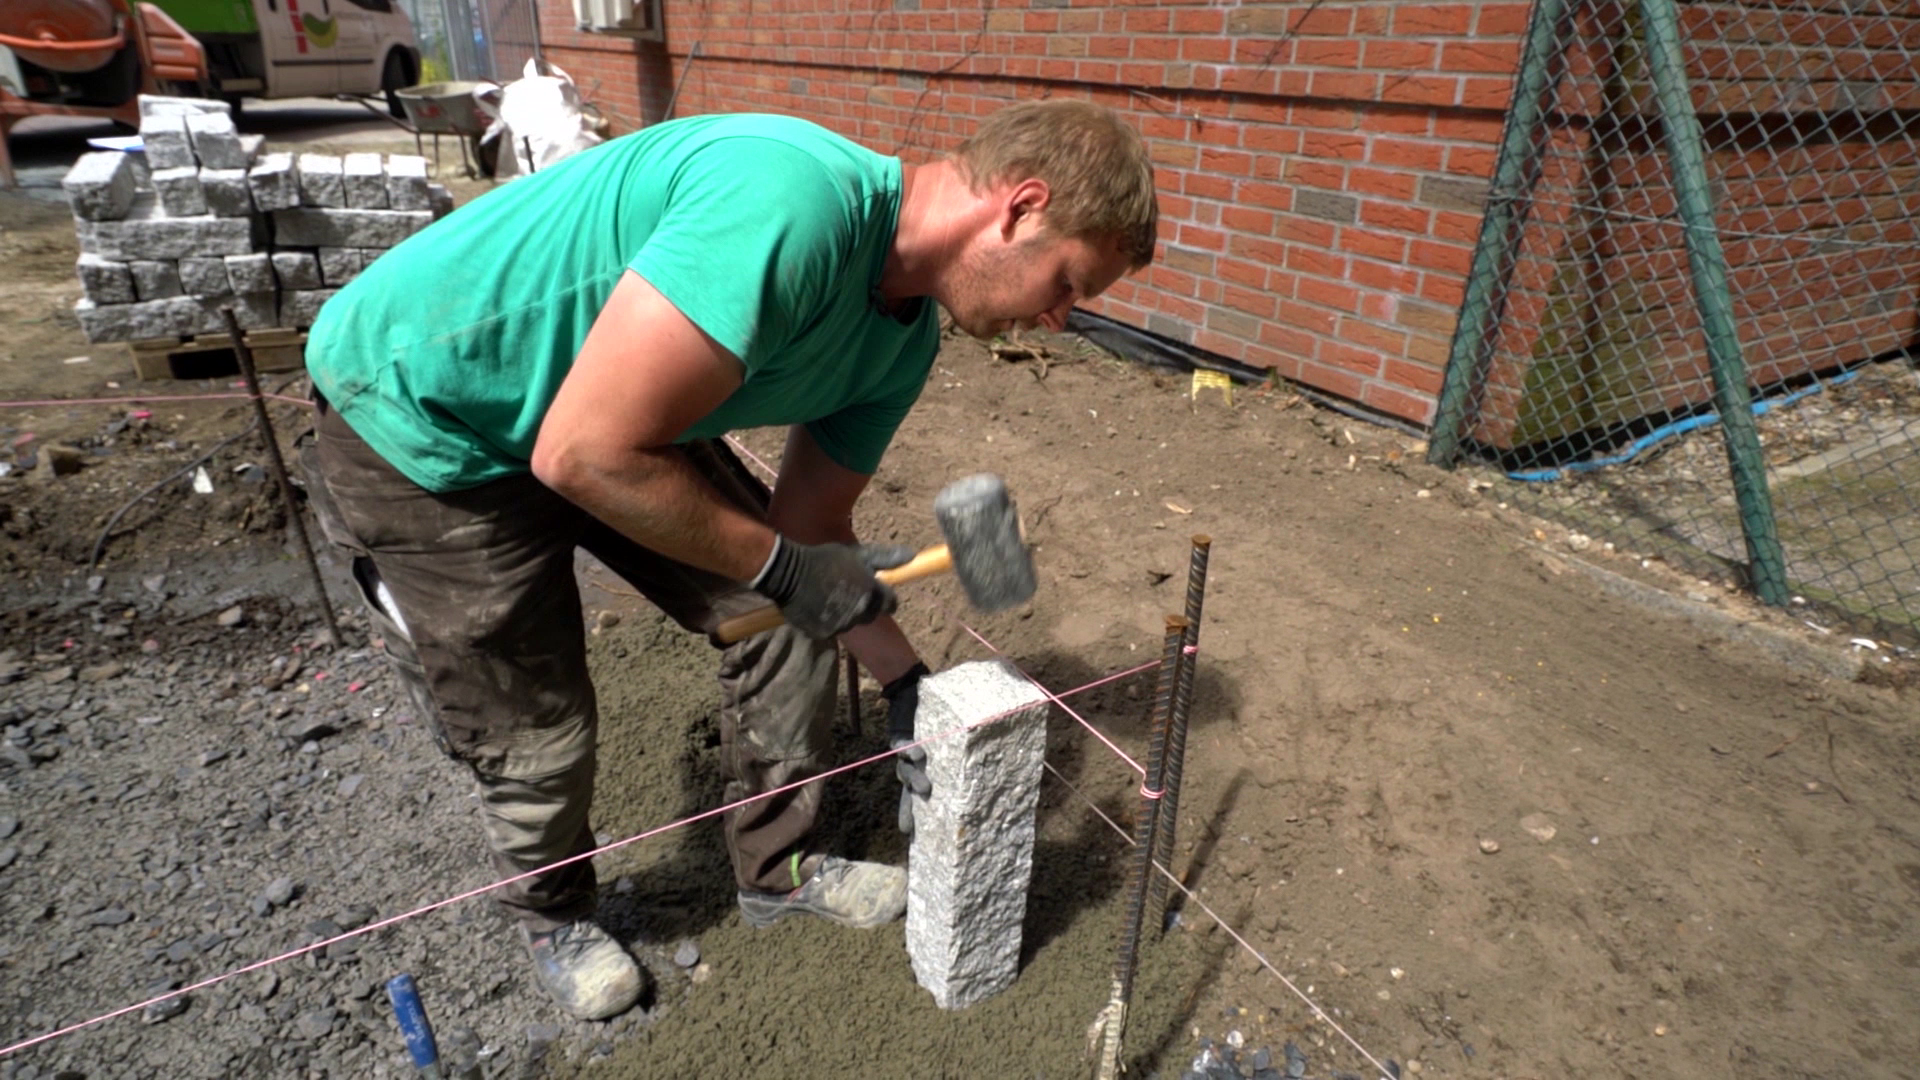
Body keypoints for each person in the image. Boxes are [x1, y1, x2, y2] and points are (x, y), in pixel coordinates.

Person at [298, 98, 1158, 1020]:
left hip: (615, 408)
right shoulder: (789, 201)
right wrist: (789, 571)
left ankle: (775, 869)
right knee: (533, 724)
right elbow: (583, 455)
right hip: (430, 413)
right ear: (1022, 208)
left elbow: (811, 526)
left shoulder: (898, 347)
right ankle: (553, 913)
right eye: (1071, 283)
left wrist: (909, 685)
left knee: (791, 618)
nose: (1063, 319)